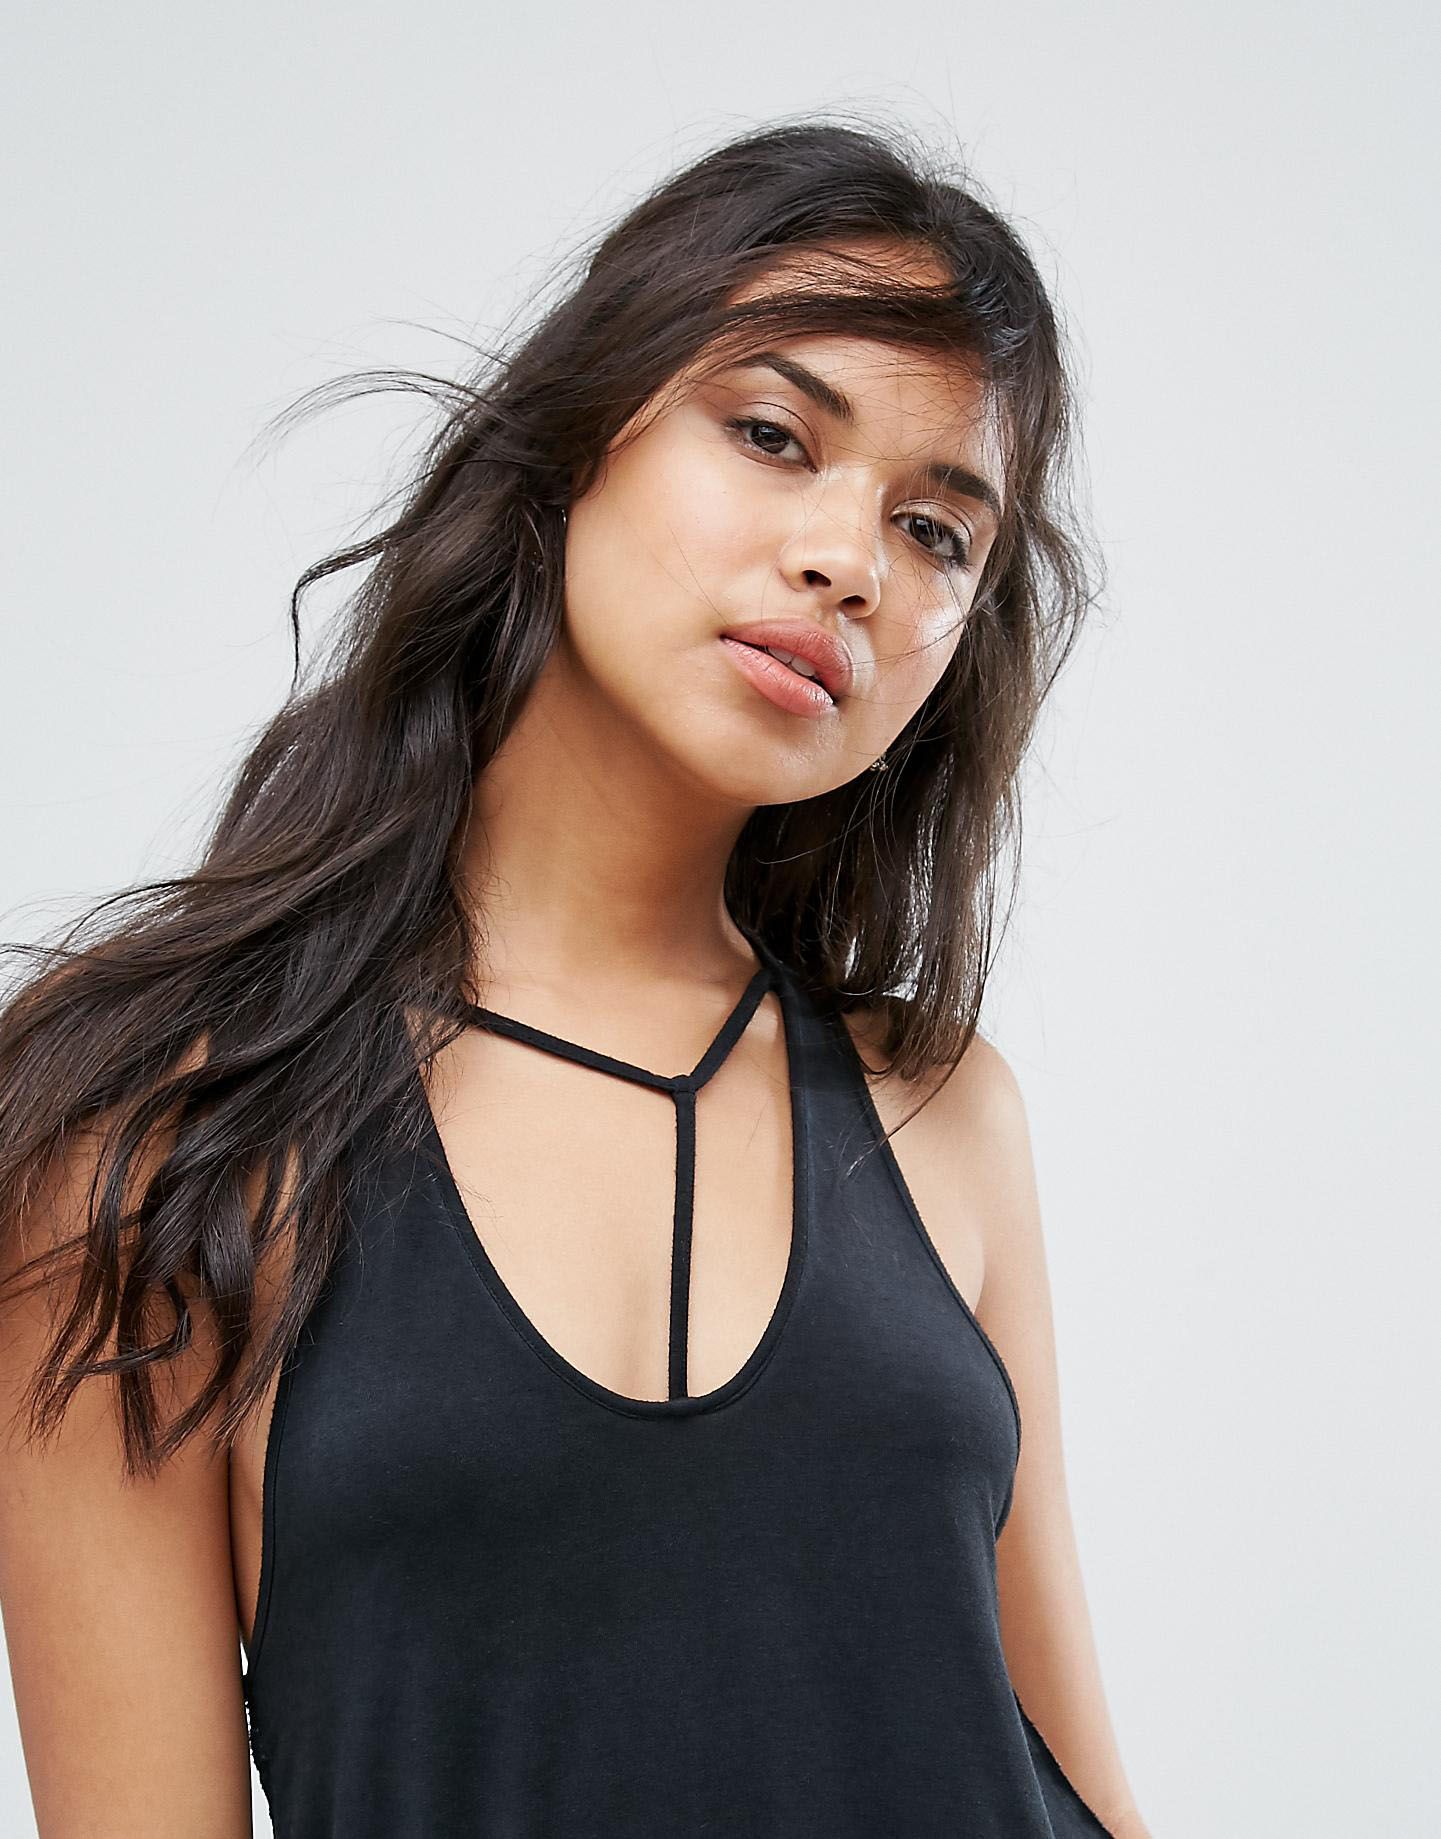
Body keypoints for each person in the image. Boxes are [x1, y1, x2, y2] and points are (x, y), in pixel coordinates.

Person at [0, 117, 1150, 1837]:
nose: (848, 560)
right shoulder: (144, 1125)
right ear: (571, 440)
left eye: (935, 531)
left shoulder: (939, 1106)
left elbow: (1079, 1779)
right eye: (772, 435)